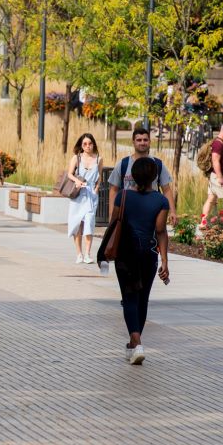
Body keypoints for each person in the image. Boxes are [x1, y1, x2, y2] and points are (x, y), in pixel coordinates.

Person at [110, 157, 170, 365]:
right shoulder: (161, 201)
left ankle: (136, 342)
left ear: (133, 176)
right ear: (154, 177)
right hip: (148, 255)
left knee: (129, 297)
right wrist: (164, 261)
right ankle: (133, 344)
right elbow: (160, 231)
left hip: (126, 254)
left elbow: (114, 223)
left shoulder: (123, 197)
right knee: (142, 298)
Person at [107, 127, 177, 225]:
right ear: (133, 142)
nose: (142, 143)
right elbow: (113, 189)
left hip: (152, 213)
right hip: (127, 213)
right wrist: (111, 215)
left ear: (149, 142)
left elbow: (166, 189)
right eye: (139, 140)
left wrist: (173, 211)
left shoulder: (158, 164)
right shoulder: (123, 164)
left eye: (145, 140)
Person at [66, 134, 103, 263]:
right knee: (77, 224)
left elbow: (99, 178)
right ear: (81, 146)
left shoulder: (98, 159)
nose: (88, 146)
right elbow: (69, 174)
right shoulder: (76, 158)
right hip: (78, 195)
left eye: (90, 143)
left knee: (89, 223)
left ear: (94, 144)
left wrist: (96, 189)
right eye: (85, 144)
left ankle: (87, 253)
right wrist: (77, 181)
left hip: (91, 195)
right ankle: (79, 254)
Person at [200, 123, 223, 223]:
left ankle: (203, 222)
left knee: (211, 199)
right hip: (217, 176)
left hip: (214, 175)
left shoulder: (219, 143)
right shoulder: (218, 144)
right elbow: (215, 161)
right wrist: (220, 177)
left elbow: (219, 161)